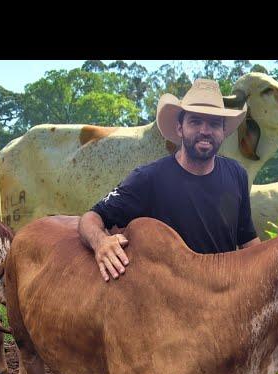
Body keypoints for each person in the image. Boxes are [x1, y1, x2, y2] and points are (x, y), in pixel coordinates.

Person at [78, 78, 260, 281]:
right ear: (180, 128)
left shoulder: (236, 174)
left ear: (224, 131)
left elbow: (248, 239)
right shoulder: (148, 179)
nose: (205, 131)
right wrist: (101, 243)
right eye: (195, 121)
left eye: (214, 123)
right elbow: (91, 217)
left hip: (222, 295)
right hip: (170, 302)